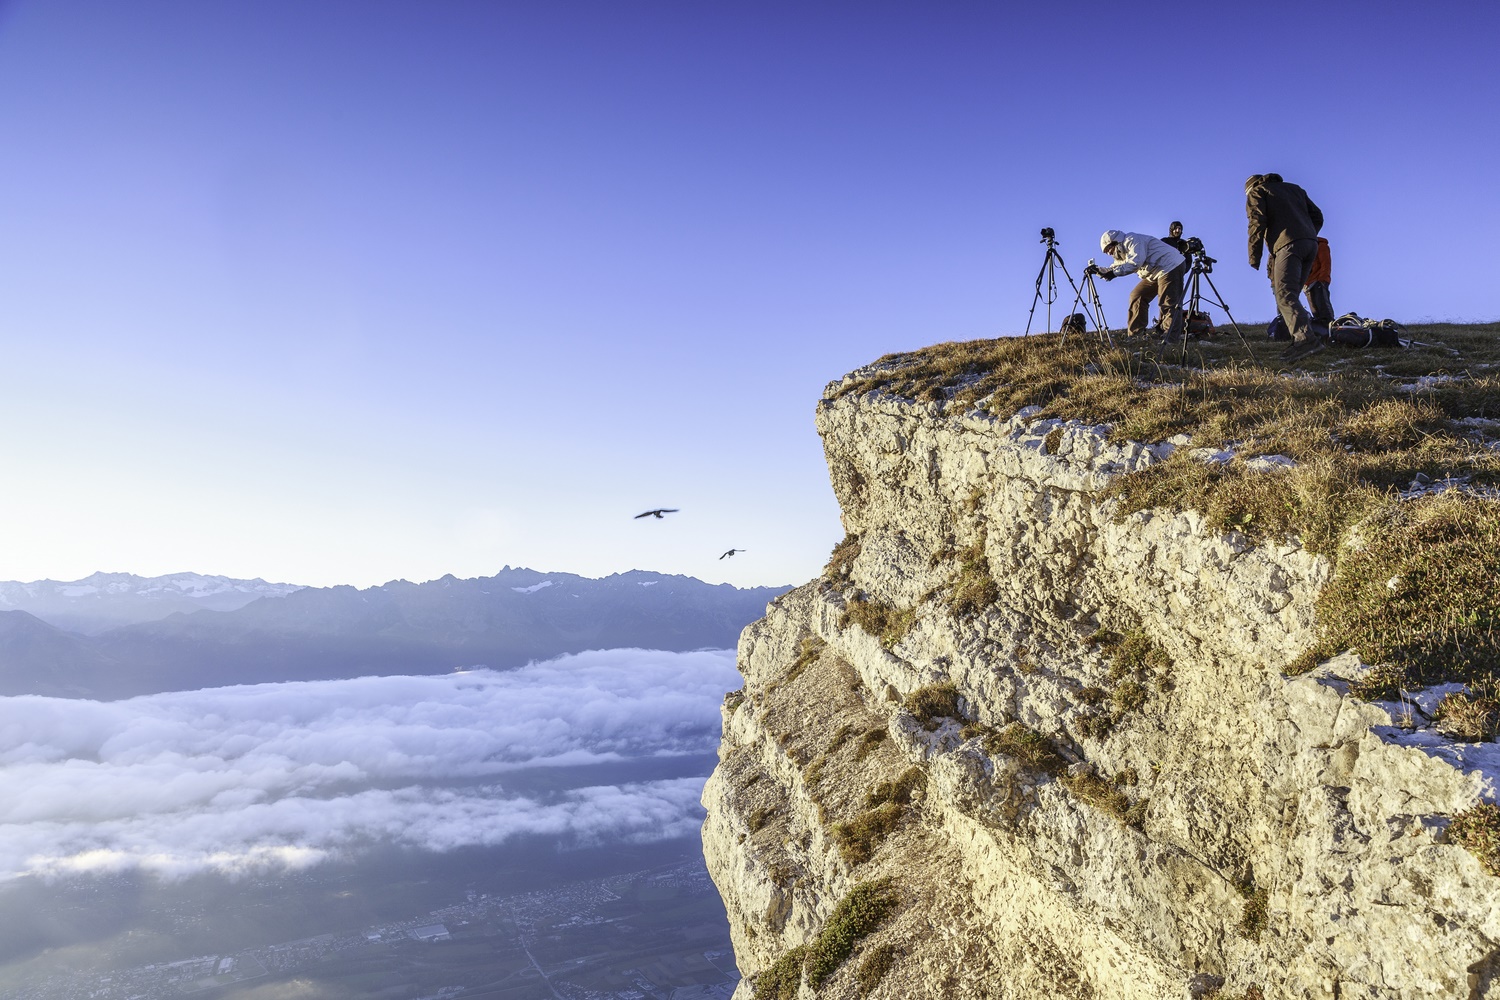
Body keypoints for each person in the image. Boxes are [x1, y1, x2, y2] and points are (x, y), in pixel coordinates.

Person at [1246, 173, 1324, 360]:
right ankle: (1303, 339)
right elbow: (1318, 215)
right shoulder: (1295, 188)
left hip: (1288, 245)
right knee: (1292, 294)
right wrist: (1307, 233)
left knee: (1284, 294)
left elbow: (1256, 222)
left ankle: (1306, 341)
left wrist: (1254, 256)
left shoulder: (1257, 192)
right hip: (1310, 244)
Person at [1093, 230, 1187, 341]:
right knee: (1137, 296)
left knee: (1168, 301)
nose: (1109, 253)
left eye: (1108, 249)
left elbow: (1135, 262)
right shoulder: (1122, 253)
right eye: (1106, 252)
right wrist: (1097, 270)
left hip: (1169, 266)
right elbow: (1114, 267)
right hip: (1155, 272)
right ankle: (1136, 335)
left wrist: (1113, 274)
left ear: (1115, 242)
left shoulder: (1132, 240)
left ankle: (1170, 338)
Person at [1304, 236, 1333, 332]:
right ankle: (1322, 332)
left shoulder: (1321, 245)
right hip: (1308, 284)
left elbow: (1326, 263)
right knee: (1315, 311)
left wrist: (1322, 279)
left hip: (1318, 281)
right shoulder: (1304, 246)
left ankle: (1330, 330)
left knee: (1323, 307)